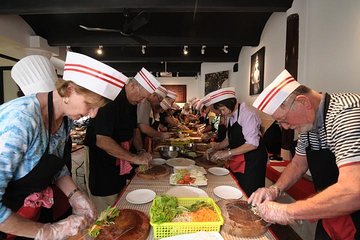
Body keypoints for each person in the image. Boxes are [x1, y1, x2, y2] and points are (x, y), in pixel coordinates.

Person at [0, 51, 124, 239]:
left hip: (32, 214)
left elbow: (54, 165)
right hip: (9, 224)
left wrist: (75, 195)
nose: (93, 114)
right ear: (69, 90)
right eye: (90, 105)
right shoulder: (20, 120)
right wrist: (48, 231)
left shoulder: (65, 119)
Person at [249, 70, 360, 240]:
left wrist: (288, 211)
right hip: (332, 213)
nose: (284, 127)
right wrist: (274, 189)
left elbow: (353, 191)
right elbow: (298, 164)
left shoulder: (346, 112)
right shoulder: (308, 125)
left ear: (303, 102)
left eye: (284, 120)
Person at [84, 67, 160, 213]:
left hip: (121, 158)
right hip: (103, 161)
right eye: (142, 97)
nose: (142, 101)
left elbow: (134, 130)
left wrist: (141, 150)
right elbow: (102, 140)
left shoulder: (132, 101)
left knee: (122, 195)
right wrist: (133, 158)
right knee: (107, 204)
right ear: (132, 86)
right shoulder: (110, 100)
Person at [205, 87, 268, 197]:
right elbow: (229, 139)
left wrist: (228, 153)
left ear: (231, 103)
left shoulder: (247, 114)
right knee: (237, 188)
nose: (222, 113)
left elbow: (252, 144)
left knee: (249, 192)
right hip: (240, 157)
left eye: (222, 109)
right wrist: (215, 148)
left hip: (252, 161)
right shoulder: (231, 115)